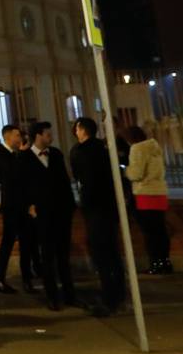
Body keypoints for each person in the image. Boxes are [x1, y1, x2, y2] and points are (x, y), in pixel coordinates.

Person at [71, 117, 124, 316]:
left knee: (101, 254)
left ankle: (108, 297)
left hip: (93, 207)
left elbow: (78, 177)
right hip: (109, 206)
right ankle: (118, 294)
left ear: (80, 129)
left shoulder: (79, 151)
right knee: (113, 252)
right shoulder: (104, 149)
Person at [26, 122, 76, 310]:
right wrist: (30, 206)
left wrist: (69, 206)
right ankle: (52, 295)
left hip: (61, 211)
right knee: (47, 256)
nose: (51, 137)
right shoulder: (25, 158)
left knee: (64, 255)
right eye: (48, 134)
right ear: (38, 136)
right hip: (43, 213)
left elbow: (64, 180)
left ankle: (70, 294)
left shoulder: (55, 154)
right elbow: (23, 186)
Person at [125, 125, 171, 275]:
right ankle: (165, 261)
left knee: (150, 232)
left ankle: (155, 263)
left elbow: (136, 174)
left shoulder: (137, 148)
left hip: (145, 193)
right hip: (159, 192)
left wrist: (125, 170)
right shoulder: (154, 147)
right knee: (160, 230)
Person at [0, 123, 32, 293]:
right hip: (11, 205)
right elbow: (11, 175)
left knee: (27, 242)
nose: (20, 139)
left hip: (23, 204)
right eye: (17, 136)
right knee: (7, 242)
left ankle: (27, 278)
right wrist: (22, 155)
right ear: (8, 137)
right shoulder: (1, 154)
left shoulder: (16, 154)